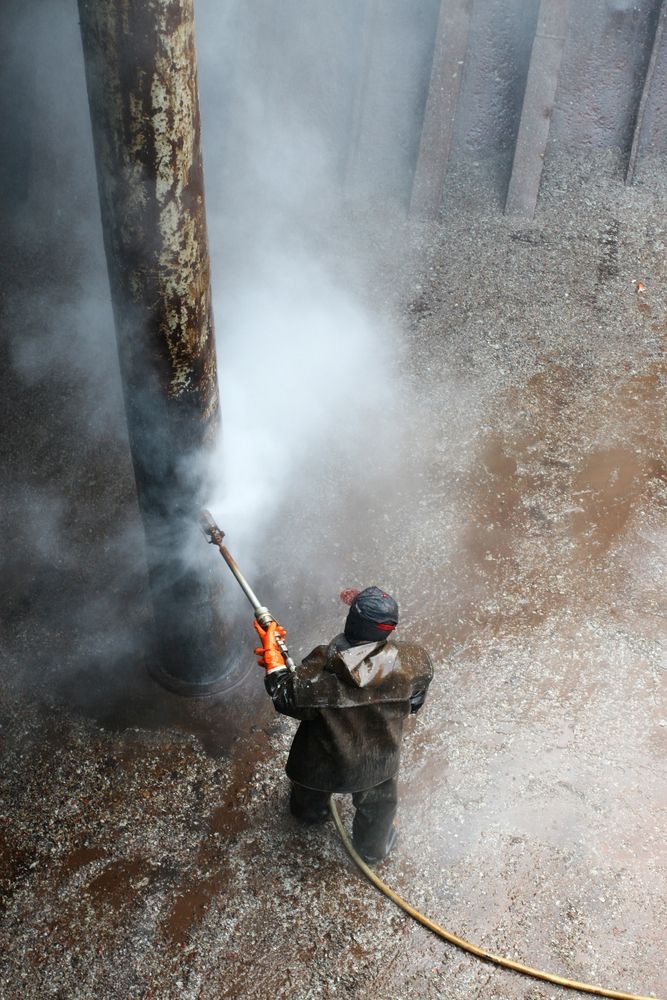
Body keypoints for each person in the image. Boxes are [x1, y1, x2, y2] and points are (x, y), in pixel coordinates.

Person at [253, 586, 433, 865]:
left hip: (321, 761)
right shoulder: (413, 661)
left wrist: (275, 662)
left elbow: (285, 698)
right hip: (378, 761)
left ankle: (311, 815)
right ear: (388, 629)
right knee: (379, 804)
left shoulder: (320, 668)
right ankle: (372, 849)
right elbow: (415, 703)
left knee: (310, 791)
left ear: (351, 622)